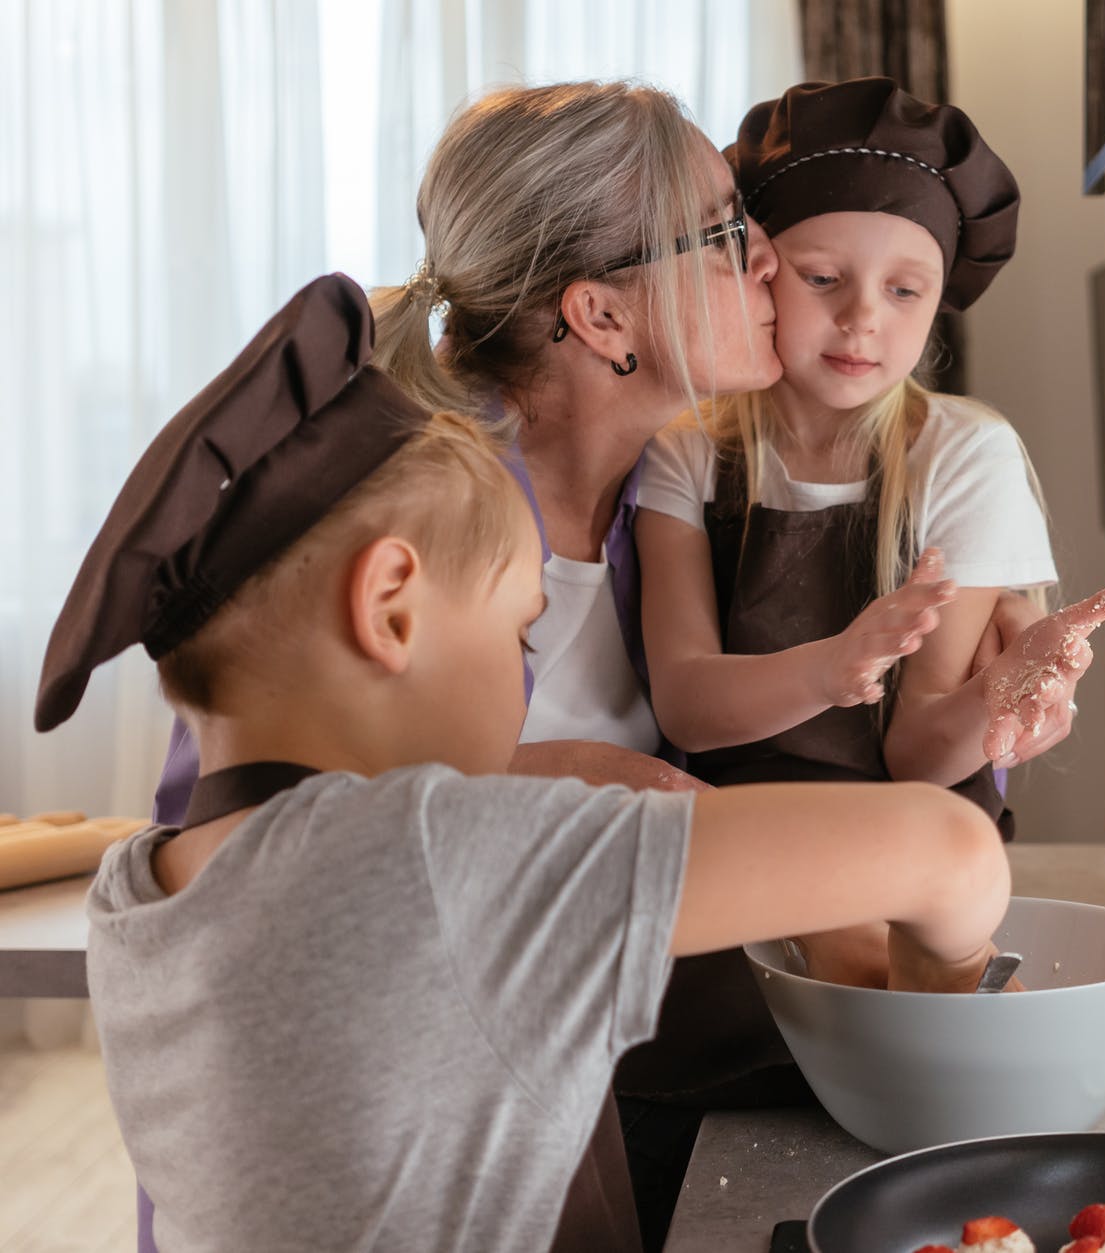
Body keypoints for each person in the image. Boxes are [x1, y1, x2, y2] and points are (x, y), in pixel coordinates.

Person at [37, 273, 1011, 1253]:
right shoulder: (427, 860)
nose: (522, 681)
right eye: (521, 635)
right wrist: (937, 1014)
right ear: (391, 609)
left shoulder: (140, 891)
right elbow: (949, 848)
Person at [635, 78, 1105, 989]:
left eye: (905, 290)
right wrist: (831, 669)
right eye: (823, 278)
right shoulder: (686, 456)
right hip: (737, 842)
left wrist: (1001, 690)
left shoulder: (964, 457)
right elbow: (688, 708)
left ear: (940, 299)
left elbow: (916, 757)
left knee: (896, 1023)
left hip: (913, 858)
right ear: (758, 271)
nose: (863, 316)